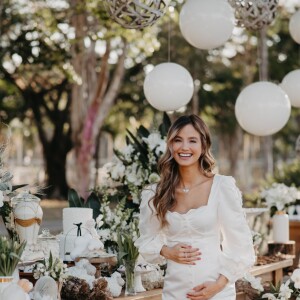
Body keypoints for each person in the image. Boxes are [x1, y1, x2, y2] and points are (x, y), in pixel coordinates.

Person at [135, 114, 255, 300]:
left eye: (192, 140)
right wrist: (167, 251)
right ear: (170, 145)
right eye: (178, 140)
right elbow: (145, 240)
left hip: (215, 291)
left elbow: (241, 247)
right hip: (175, 292)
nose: (184, 147)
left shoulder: (221, 187)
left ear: (203, 145)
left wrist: (218, 286)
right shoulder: (155, 193)